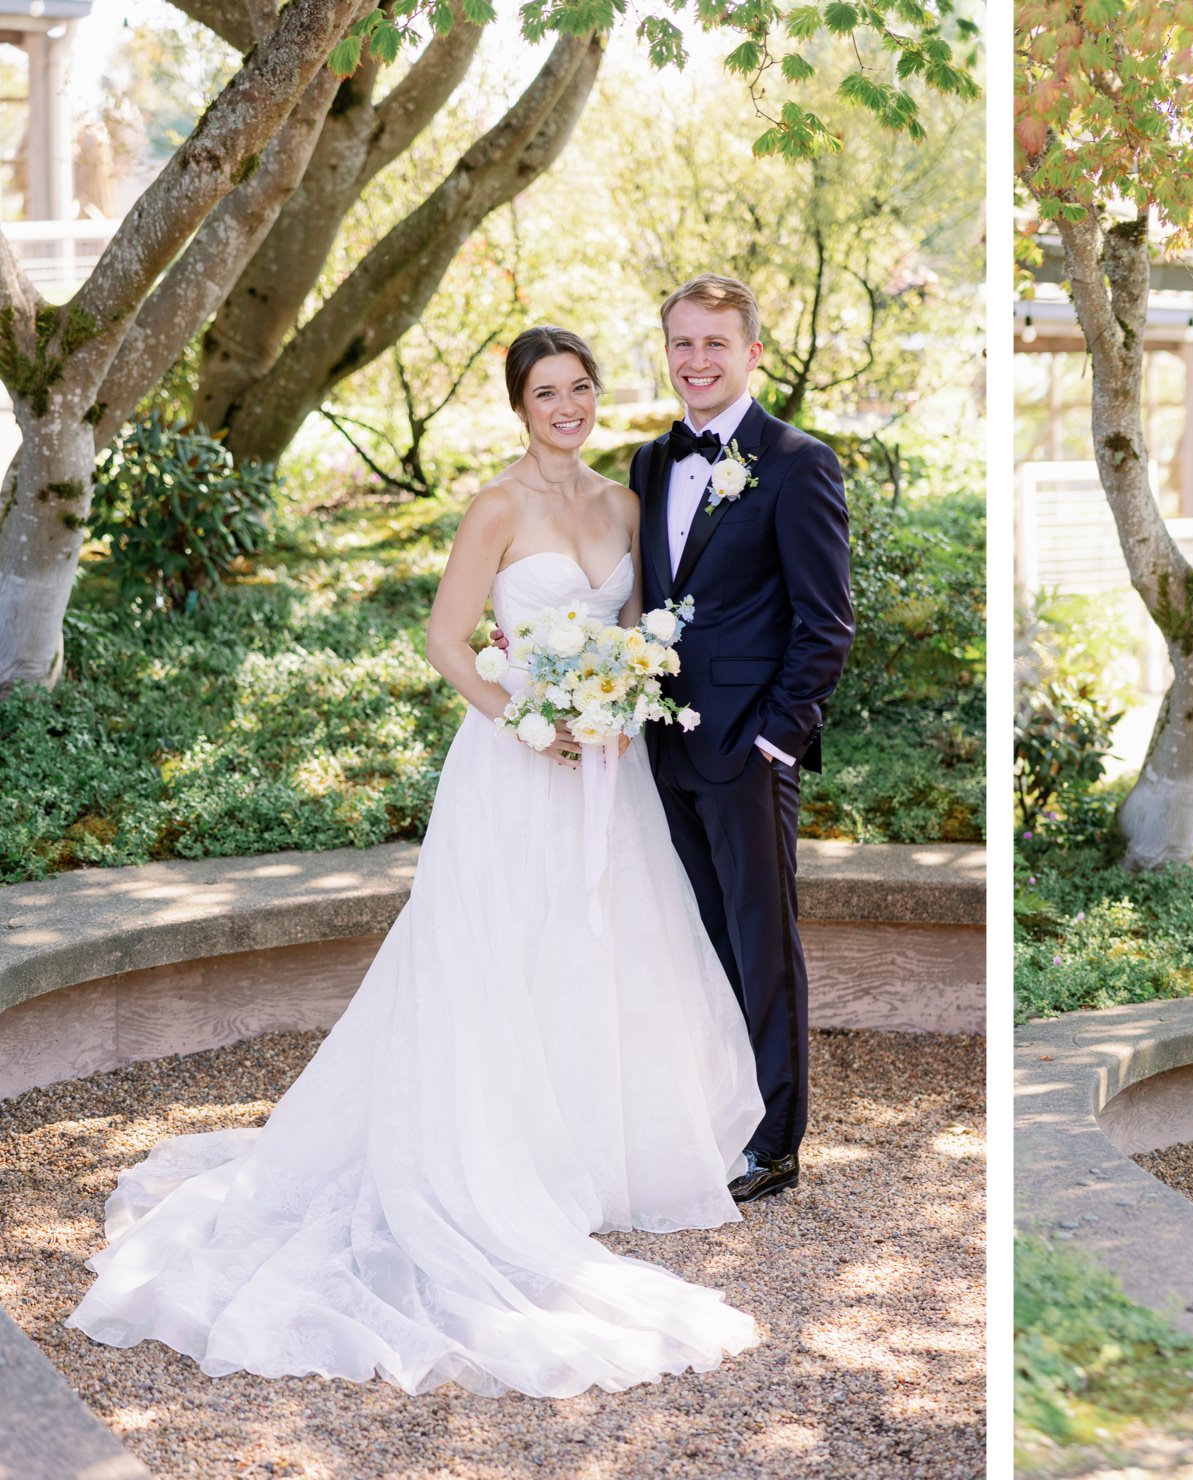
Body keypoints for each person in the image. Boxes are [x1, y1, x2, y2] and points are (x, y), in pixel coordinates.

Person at [67, 326, 767, 1397]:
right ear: (518, 404)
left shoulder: (623, 503)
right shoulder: (496, 507)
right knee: (495, 958)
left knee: (603, 950)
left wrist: (618, 705)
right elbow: (446, 641)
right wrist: (528, 719)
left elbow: (634, 635)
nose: (568, 406)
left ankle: (589, 1154)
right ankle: (496, 1161)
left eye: (581, 387)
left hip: (607, 772)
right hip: (516, 767)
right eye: (547, 392)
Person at [627, 274, 855, 1203]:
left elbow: (826, 622)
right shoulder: (648, 463)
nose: (697, 361)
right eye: (682, 343)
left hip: (747, 751)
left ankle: (775, 1140)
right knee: (695, 939)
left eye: (715, 343)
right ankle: (713, 1114)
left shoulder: (798, 462)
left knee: (762, 943)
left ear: (753, 352)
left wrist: (777, 740)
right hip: (660, 744)